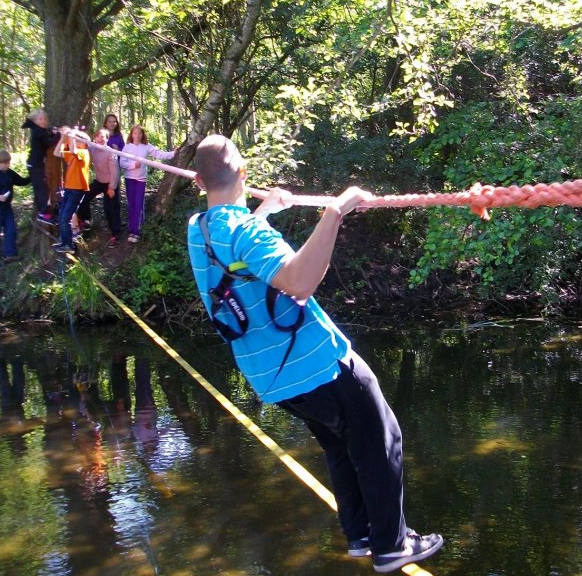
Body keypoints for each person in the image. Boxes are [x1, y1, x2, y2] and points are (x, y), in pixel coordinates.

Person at [186, 134, 443, 574]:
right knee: (384, 438)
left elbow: (236, 246)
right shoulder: (245, 232)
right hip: (318, 363)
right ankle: (392, 545)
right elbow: (299, 281)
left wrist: (268, 210)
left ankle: (362, 534)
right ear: (244, 174)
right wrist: (335, 211)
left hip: (272, 377)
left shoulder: (200, 229)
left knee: (342, 442)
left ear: (197, 181)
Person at [120, 125, 175, 244]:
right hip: (129, 178)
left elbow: (159, 154)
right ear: (131, 134)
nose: (137, 135)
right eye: (135, 133)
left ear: (143, 135)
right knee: (131, 204)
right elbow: (122, 163)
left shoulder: (146, 146)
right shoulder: (127, 147)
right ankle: (131, 229)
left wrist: (174, 153)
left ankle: (137, 231)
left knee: (139, 204)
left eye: (140, 133)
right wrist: (132, 166)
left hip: (141, 179)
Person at [76, 128, 123, 248]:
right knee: (83, 197)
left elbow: (115, 172)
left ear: (107, 139)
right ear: (94, 138)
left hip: (111, 183)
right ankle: (87, 219)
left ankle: (115, 234)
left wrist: (112, 187)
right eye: (98, 136)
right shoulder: (92, 148)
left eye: (104, 137)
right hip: (99, 181)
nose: (101, 139)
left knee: (111, 209)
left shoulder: (110, 152)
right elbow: (82, 144)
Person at [0, 149, 31, 263]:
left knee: (11, 230)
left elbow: (21, 181)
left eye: (8, 163)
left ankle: (10, 254)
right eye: (4, 163)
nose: (6, 165)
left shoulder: (10, 173)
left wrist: (33, 175)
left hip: (7, 207)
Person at [52, 128, 91, 254]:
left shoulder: (83, 153)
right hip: (69, 188)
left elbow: (74, 150)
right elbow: (57, 153)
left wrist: (72, 135)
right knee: (62, 216)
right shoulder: (73, 152)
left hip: (77, 190)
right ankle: (65, 243)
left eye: (77, 140)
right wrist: (63, 138)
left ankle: (69, 245)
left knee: (65, 217)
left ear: (83, 143)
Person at [21, 108, 59, 223]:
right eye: (40, 119)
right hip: (35, 164)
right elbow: (49, 142)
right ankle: (44, 213)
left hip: (36, 164)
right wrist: (59, 135)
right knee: (42, 189)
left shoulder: (38, 130)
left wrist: (52, 133)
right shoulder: (38, 131)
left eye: (44, 119)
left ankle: (45, 212)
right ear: (34, 120)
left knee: (41, 188)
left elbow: (46, 139)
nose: (43, 121)